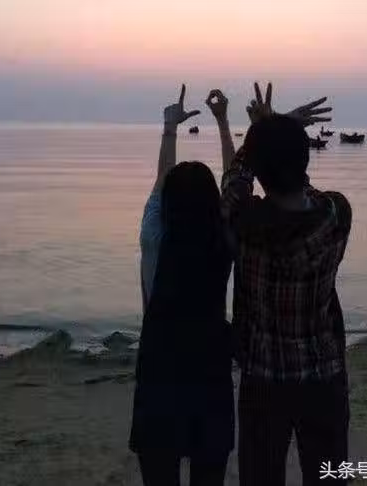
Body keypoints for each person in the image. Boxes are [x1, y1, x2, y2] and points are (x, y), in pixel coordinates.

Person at [221, 83, 351, 486]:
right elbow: (303, 191)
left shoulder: (245, 225)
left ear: (261, 172)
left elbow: (234, 183)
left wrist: (264, 136)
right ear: (304, 159)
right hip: (323, 373)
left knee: (260, 477)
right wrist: (280, 132)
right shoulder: (336, 215)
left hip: (264, 376)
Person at [130, 85, 235, 486]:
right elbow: (234, 186)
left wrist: (169, 128)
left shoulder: (155, 238)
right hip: (210, 369)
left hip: (160, 371)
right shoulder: (224, 239)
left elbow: (162, 180)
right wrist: (223, 122)